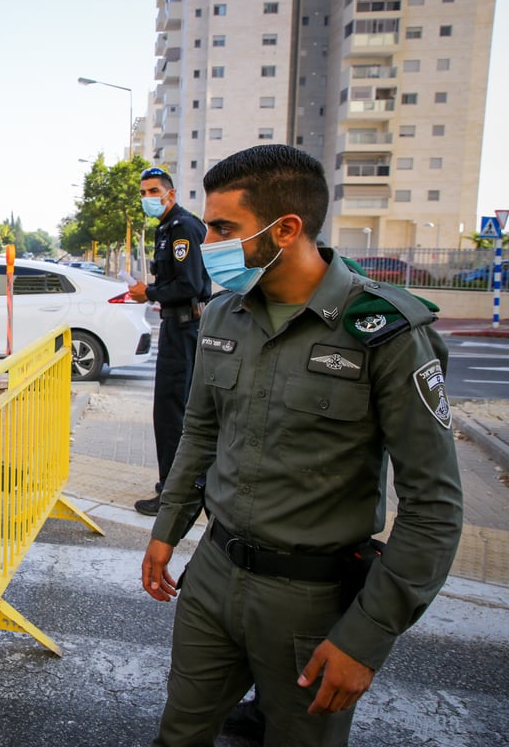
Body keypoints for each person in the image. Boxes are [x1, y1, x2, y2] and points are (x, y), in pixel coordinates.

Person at [140, 145, 463, 745]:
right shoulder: (224, 315)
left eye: (223, 228)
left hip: (312, 603)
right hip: (212, 575)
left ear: (285, 229)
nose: (207, 240)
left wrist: (367, 637)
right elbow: (202, 433)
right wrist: (168, 529)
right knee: (179, 732)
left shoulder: (385, 332)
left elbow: (434, 508)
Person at [127, 167, 212, 516]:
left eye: (153, 191)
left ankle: (174, 495)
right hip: (177, 327)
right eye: (144, 192)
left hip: (184, 329)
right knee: (173, 411)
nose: (148, 197)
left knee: (171, 413)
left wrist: (149, 291)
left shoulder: (183, 228)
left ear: (170, 194)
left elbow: (190, 285)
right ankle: (184, 487)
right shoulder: (167, 228)